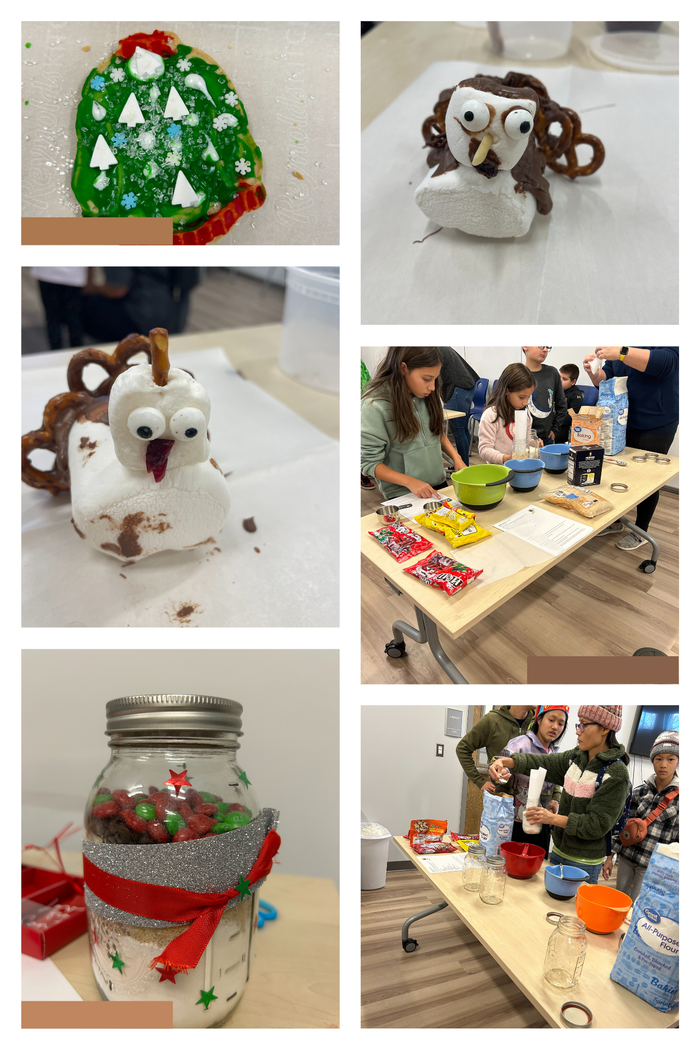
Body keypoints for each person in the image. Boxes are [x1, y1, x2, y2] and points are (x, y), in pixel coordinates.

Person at [488, 705, 630, 884]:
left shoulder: (616, 773)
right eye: (578, 724)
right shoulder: (576, 757)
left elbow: (596, 825)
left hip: (583, 862)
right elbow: (544, 762)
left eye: (584, 725)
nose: (578, 731)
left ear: (605, 728)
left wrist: (552, 819)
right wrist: (506, 761)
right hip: (558, 852)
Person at [583, 346, 679, 552]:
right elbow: (607, 378)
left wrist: (622, 352)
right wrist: (594, 372)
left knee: (648, 479)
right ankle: (616, 521)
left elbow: (666, 364)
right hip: (621, 419)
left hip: (656, 421)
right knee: (619, 472)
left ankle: (641, 531)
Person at [360, 347, 466, 501]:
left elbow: (437, 432)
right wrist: (410, 482)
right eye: (427, 379)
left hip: (438, 484)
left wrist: (457, 458)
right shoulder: (374, 406)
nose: (432, 387)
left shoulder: (430, 396)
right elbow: (369, 463)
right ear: (403, 368)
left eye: (435, 379)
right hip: (403, 493)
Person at [604, 729, 679, 902]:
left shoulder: (680, 800)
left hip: (653, 866)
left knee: (639, 905)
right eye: (658, 759)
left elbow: (678, 842)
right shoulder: (639, 792)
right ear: (652, 760)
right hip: (626, 857)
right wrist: (610, 856)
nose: (663, 764)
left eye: (670, 759)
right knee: (620, 900)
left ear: (678, 762)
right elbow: (621, 824)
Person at [495, 706, 568, 853]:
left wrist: (555, 797)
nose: (555, 727)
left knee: (538, 863)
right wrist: (502, 772)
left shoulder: (554, 753)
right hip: (514, 823)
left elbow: (555, 777)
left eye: (561, 724)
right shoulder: (521, 743)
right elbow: (502, 763)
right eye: (551, 720)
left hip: (541, 824)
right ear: (539, 720)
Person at [81, 267, 200, 343]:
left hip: (141, 319)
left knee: (80, 304)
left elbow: (117, 290)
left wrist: (92, 287)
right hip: (177, 314)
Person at [456, 706, 535, 795]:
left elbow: (546, 756)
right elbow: (462, 748)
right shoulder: (492, 720)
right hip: (501, 797)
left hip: (531, 796)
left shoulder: (539, 722)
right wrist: (479, 781)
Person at [478, 363, 540, 464]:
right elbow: (484, 449)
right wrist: (505, 458)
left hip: (519, 467)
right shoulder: (491, 415)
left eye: (528, 397)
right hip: (498, 469)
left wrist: (534, 443)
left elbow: (526, 440)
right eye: (521, 397)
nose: (525, 403)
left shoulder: (525, 414)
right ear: (507, 391)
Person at [438, 347, 480, 467]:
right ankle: (463, 464)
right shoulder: (440, 347)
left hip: (459, 388)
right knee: (463, 429)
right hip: (466, 386)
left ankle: (462, 466)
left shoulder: (433, 349)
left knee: (458, 430)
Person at [521, 346, 569, 445]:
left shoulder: (552, 373)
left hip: (546, 438)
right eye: (541, 345)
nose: (545, 349)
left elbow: (562, 405)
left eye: (547, 346)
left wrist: (555, 429)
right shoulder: (516, 373)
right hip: (520, 438)